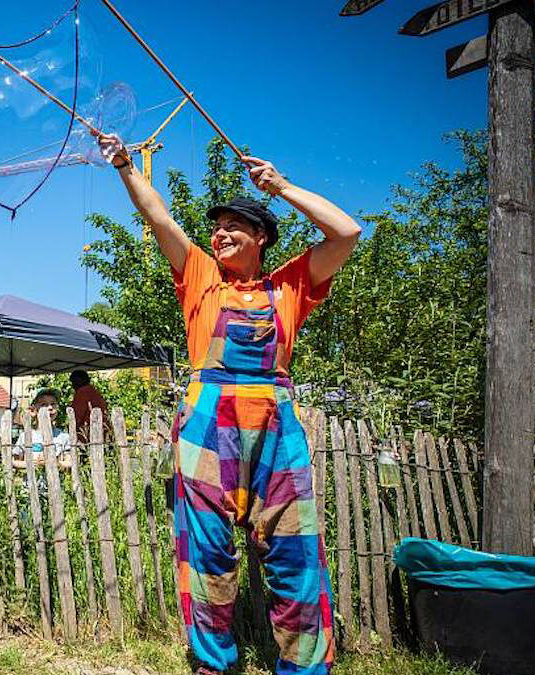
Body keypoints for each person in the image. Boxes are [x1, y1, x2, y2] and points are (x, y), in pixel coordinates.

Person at [96, 133, 361, 675]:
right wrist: (124, 165)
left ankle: (305, 667)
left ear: (261, 237)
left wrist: (280, 185)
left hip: (274, 420)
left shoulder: (289, 286)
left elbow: (346, 231)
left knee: (295, 550)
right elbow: (159, 219)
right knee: (209, 552)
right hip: (208, 418)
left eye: (232, 226)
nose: (218, 233)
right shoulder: (198, 276)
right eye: (215, 228)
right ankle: (213, 665)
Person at [15, 387, 71, 470]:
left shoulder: (63, 437)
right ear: (33, 410)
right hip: (31, 482)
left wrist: (57, 463)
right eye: (44, 405)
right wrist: (30, 464)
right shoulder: (25, 436)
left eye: (53, 404)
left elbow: (70, 462)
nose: (50, 408)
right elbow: (15, 461)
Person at [69, 370, 108, 442]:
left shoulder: (82, 392)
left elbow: (77, 415)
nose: (73, 385)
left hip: (88, 435)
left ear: (80, 380)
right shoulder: (95, 392)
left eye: (74, 382)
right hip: (101, 432)